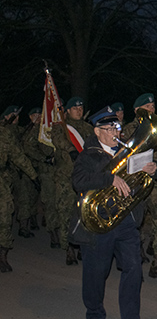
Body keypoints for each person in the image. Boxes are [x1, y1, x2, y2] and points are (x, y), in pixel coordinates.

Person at [70, 105, 157, 319]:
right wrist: (108, 179)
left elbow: (142, 182)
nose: (115, 132)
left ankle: (130, 318)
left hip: (126, 221)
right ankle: (95, 317)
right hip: (99, 223)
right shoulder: (88, 154)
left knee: (133, 269)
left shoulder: (127, 152)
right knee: (96, 272)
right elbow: (78, 181)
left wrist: (152, 171)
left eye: (117, 127)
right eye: (110, 128)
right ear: (97, 131)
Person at [122, 93, 157, 282]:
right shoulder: (128, 129)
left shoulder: (156, 129)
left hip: (156, 182)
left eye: (153, 106)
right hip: (134, 182)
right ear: (137, 111)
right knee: (134, 220)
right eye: (148, 107)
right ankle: (135, 254)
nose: (152, 109)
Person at [52, 96, 93, 265]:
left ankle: (84, 246)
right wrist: (71, 149)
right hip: (65, 177)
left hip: (85, 177)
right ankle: (68, 248)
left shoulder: (88, 128)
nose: (79, 110)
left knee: (85, 213)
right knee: (65, 212)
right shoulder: (60, 127)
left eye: (81, 108)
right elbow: (58, 140)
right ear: (67, 111)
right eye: (75, 108)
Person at [0, 109, 37, 272]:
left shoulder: (4, 133)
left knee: (5, 215)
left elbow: (18, 155)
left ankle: (2, 255)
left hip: (1, 179)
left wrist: (33, 176)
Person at [22, 107, 58, 247]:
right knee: (40, 200)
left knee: (58, 203)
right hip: (39, 169)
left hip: (58, 171)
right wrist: (44, 158)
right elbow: (27, 147)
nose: (37, 117)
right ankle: (51, 233)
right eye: (34, 115)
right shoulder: (36, 130)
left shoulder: (60, 128)